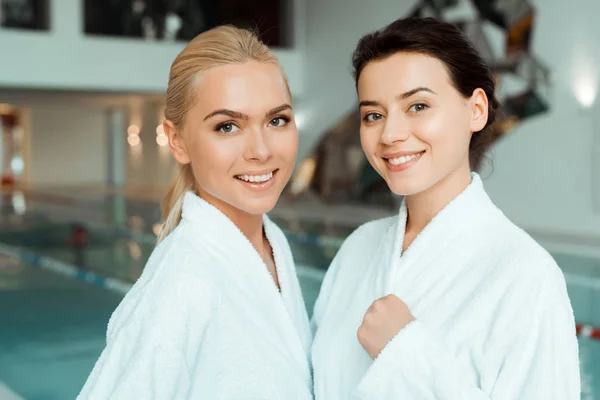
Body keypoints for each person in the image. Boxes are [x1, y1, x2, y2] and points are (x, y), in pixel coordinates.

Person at [311, 17, 580, 399]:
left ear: (476, 110)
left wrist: (404, 354)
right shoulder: (358, 249)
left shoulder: (526, 276)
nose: (390, 134)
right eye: (374, 114)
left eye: (418, 105)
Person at [78, 25, 312, 399]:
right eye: (228, 126)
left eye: (276, 120)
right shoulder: (182, 286)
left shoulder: (272, 242)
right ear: (178, 141)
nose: (261, 150)